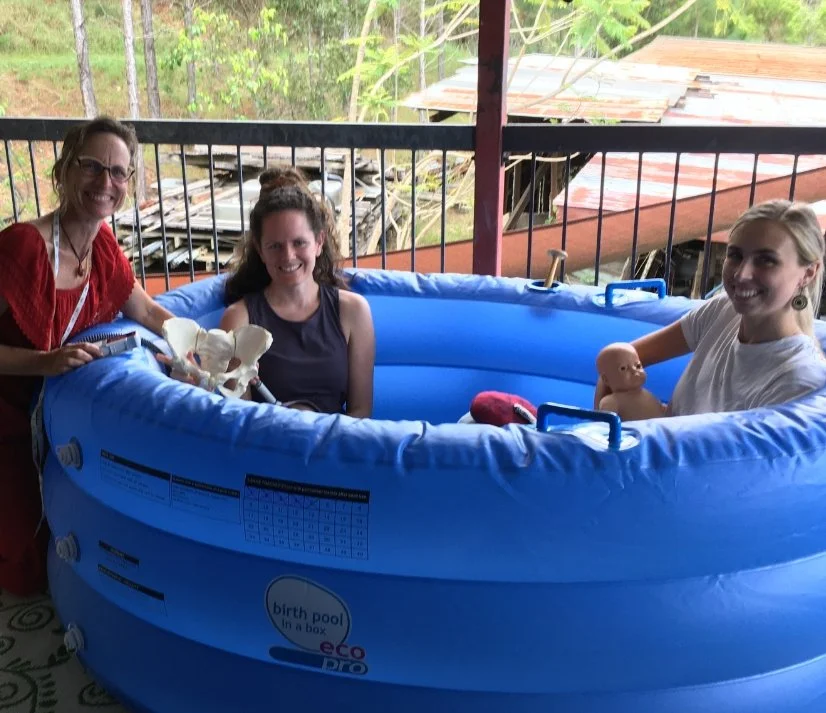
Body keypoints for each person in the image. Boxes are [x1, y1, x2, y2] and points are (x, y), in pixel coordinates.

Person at [0, 116, 176, 596]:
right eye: (93, 166)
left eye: (119, 172)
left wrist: (198, 346)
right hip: (11, 418)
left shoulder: (102, 245)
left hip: (59, 417)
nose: (107, 182)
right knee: (27, 569)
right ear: (64, 171)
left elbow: (143, 307)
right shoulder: (22, 247)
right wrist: (46, 362)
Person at [595, 199, 826, 416]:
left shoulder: (800, 379)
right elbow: (615, 362)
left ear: (808, 273)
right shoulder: (723, 310)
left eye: (766, 260)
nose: (741, 274)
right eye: (735, 255)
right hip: (663, 449)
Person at [220, 167, 375, 417]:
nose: (288, 256)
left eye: (299, 243)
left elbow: (361, 411)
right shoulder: (238, 319)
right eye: (275, 246)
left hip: (335, 447)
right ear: (260, 250)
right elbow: (239, 420)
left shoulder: (353, 312)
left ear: (319, 242)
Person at [595, 342, 665, 420]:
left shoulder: (648, 394)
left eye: (638, 366)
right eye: (623, 368)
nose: (634, 371)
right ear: (606, 379)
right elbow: (604, 425)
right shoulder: (612, 402)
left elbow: (661, 409)